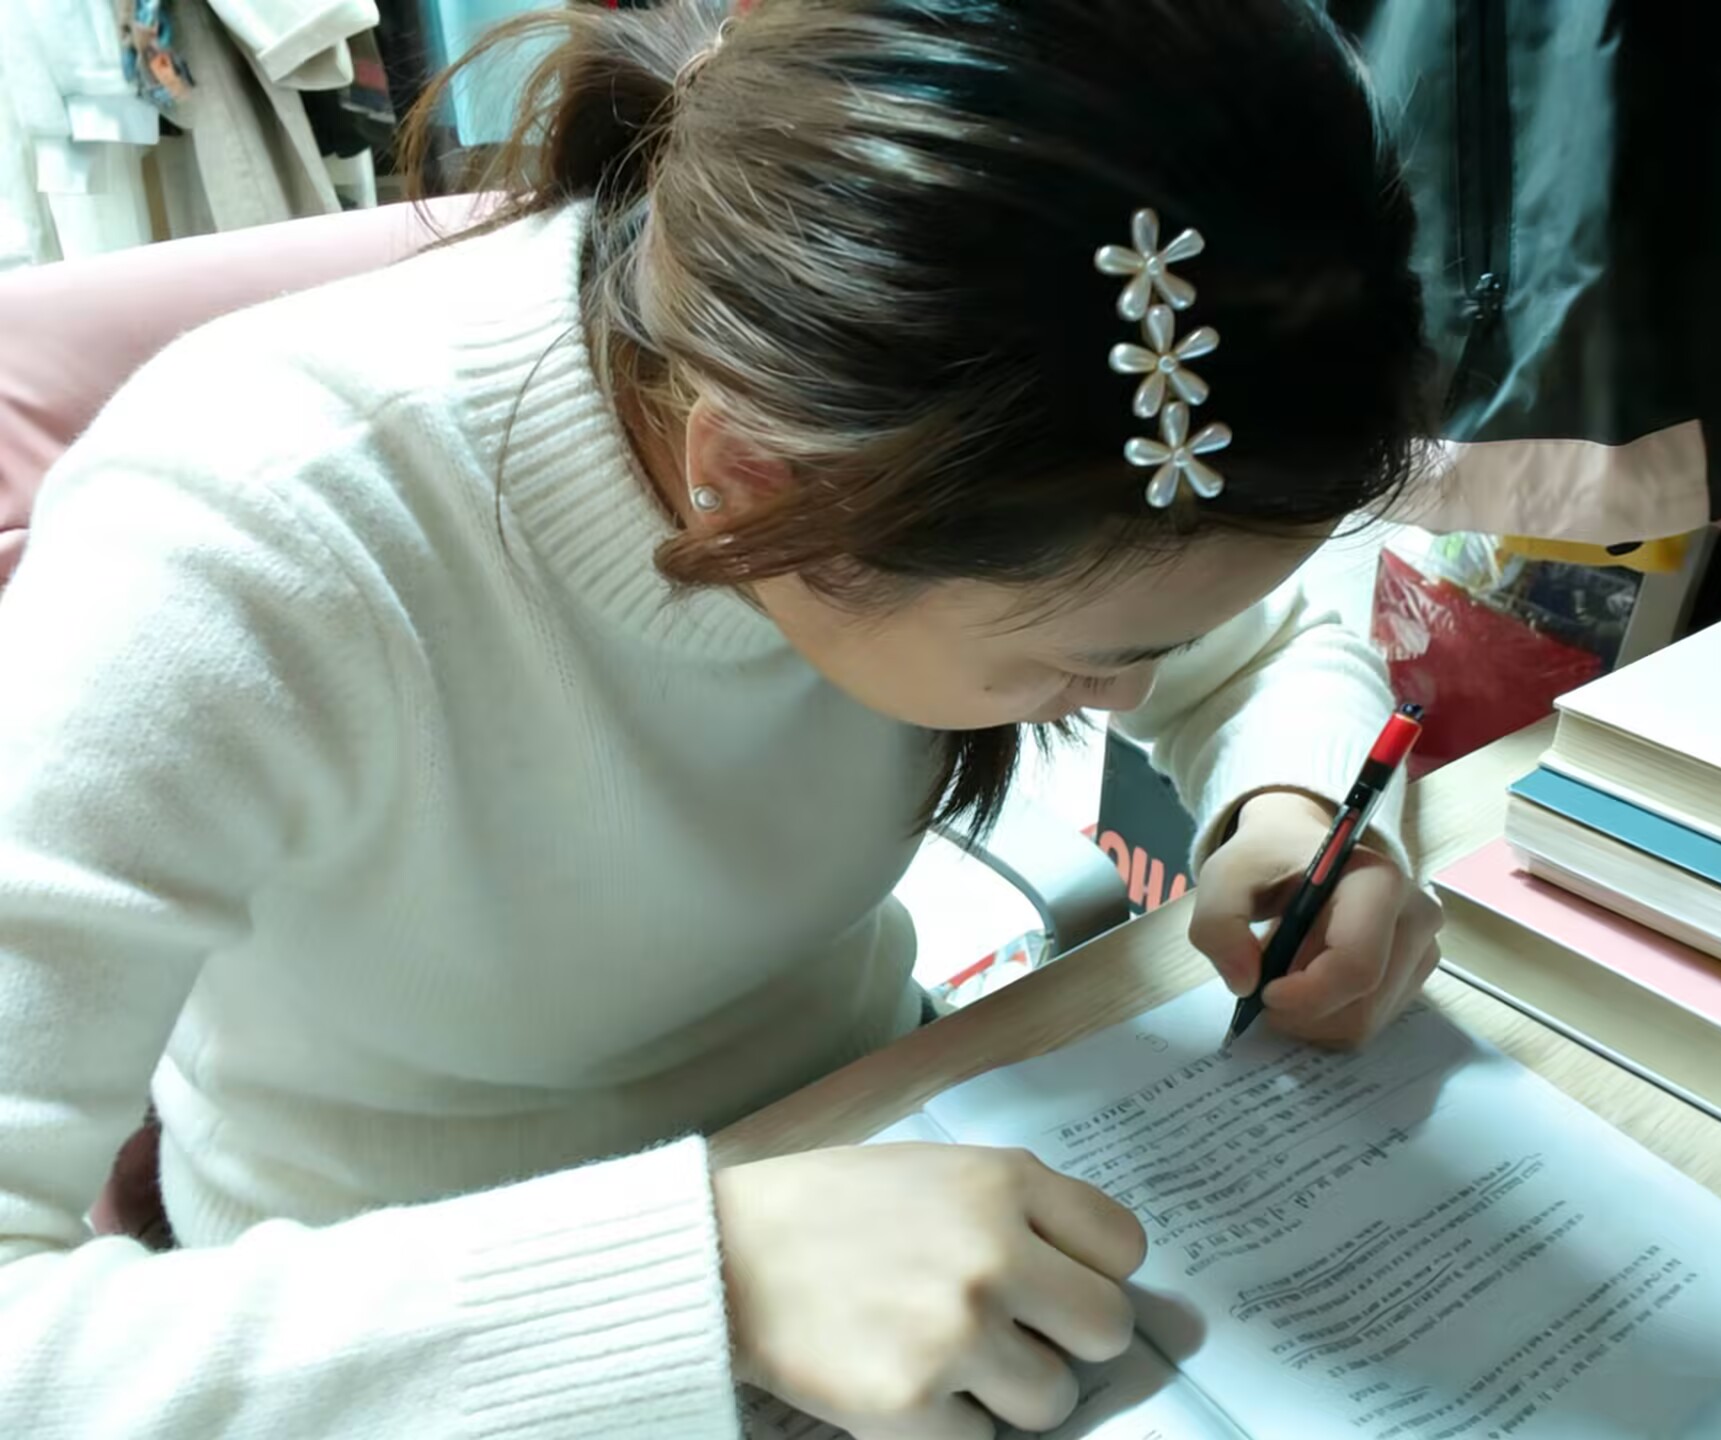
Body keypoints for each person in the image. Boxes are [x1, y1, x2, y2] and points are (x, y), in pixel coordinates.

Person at [0, 1, 1443, 1435]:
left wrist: (1297, 810)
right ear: (753, 486)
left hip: (903, 1156)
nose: (1126, 693)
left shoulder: (941, 414)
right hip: (419, 1337)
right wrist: (709, 1275)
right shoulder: (239, 543)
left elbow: (1260, 641)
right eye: (1081, 662)